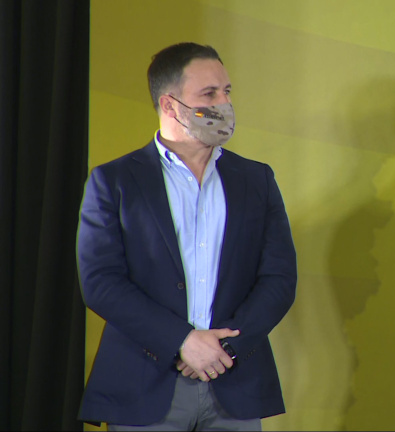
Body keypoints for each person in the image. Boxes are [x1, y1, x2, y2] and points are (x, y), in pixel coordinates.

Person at [76, 42, 297, 430]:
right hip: (144, 385)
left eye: (226, 91)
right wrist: (182, 341)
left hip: (235, 383)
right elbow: (100, 282)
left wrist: (223, 349)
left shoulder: (256, 180)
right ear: (170, 105)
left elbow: (278, 279)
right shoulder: (114, 181)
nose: (224, 104)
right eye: (209, 94)